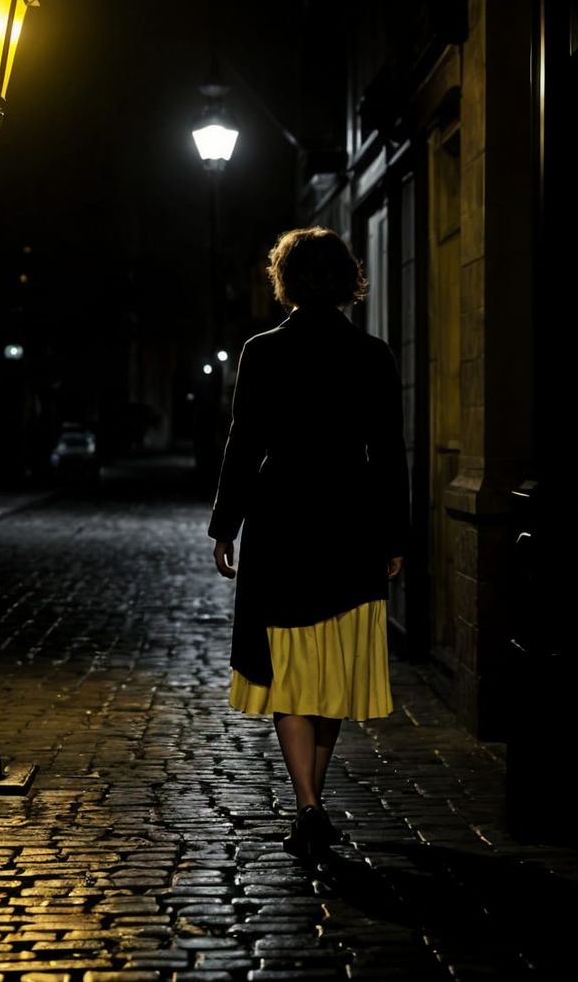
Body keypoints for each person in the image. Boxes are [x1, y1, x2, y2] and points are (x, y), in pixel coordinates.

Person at [209, 226, 409, 861]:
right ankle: (312, 804)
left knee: (290, 670)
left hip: (283, 523)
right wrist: (395, 534)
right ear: (349, 279)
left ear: (286, 280)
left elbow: (243, 443)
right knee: (331, 672)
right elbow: (390, 456)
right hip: (350, 521)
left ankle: (309, 806)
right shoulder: (374, 355)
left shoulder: (263, 352)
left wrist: (225, 525)